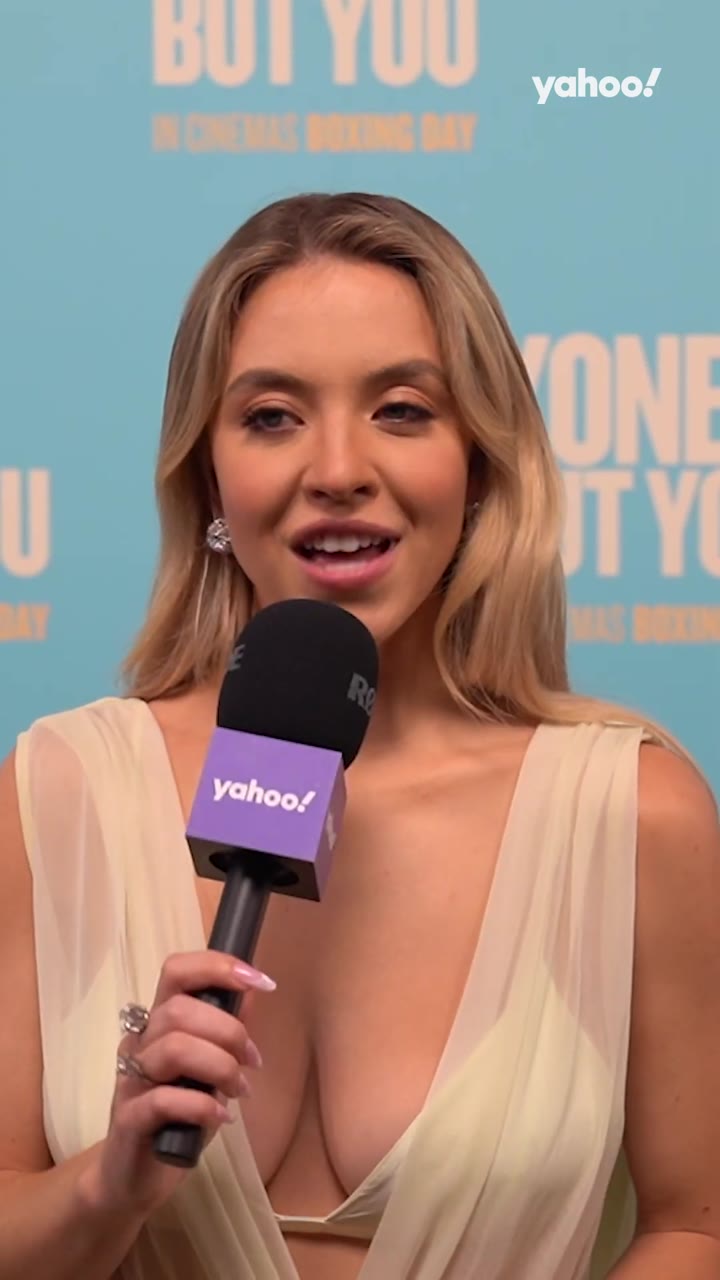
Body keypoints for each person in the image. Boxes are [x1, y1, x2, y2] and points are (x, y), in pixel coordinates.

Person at [0, 192, 719, 1280]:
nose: (337, 468)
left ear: (479, 462)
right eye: (272, 416)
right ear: (207, 474)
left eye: (401, 409)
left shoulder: (631, 812)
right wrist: (110, 1184)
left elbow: (696, 1227)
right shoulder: (59, 789)